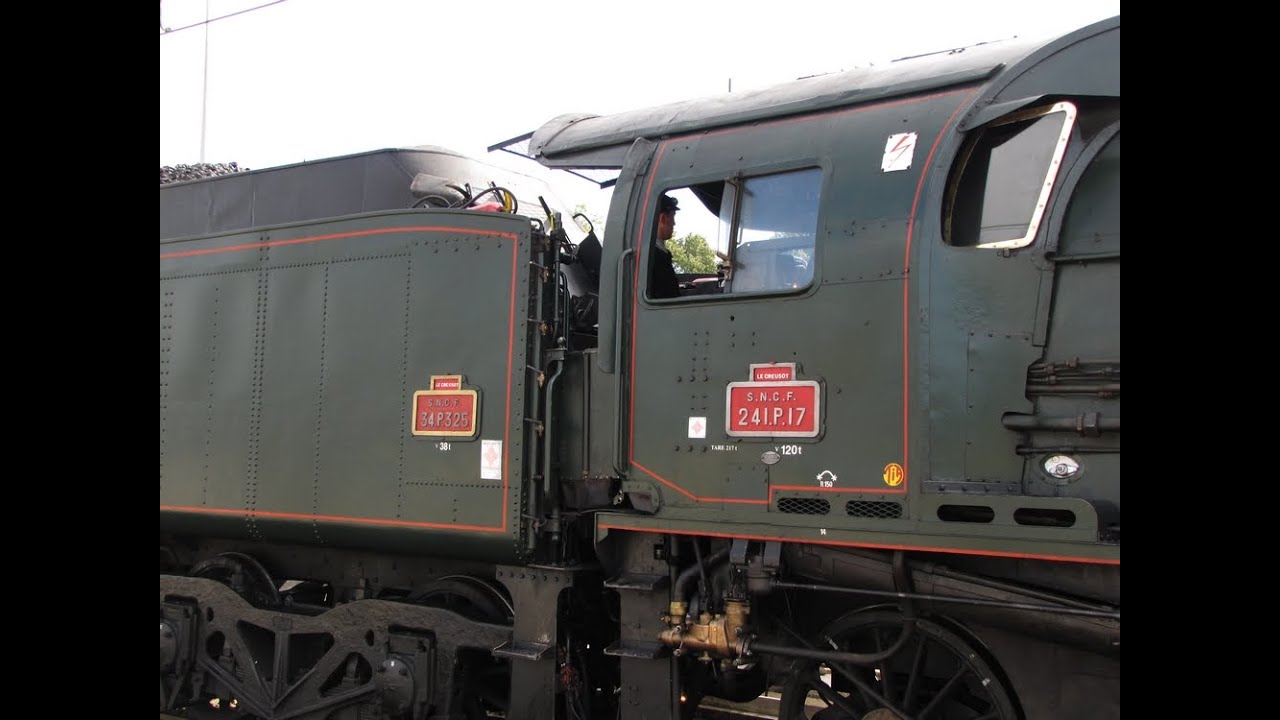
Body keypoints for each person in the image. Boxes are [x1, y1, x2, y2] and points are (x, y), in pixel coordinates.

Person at [648, 194, 681, 298]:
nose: (674, 223)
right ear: (662, 219)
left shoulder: (657, 253)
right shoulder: (654, 256)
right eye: (673, 217)